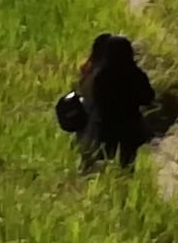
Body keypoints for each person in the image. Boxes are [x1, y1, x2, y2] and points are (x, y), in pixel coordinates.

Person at [64, 32, 160, 170]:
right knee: (127, 165)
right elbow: (149, 97)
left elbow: (95, 100)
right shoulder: (135, 74)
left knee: (99, 164)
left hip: (104, 127)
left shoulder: (99, 76)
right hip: (130, 127)